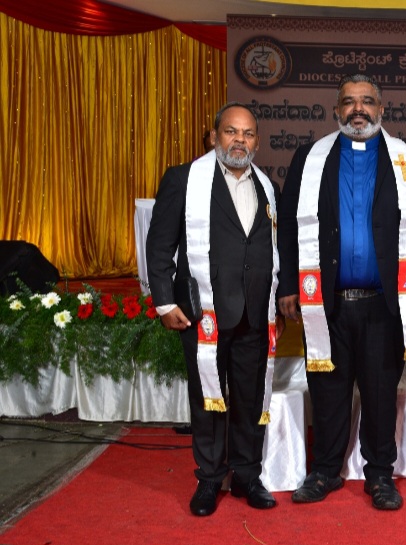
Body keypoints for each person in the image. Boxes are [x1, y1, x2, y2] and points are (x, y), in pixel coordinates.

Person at [278, 74, 406, 511]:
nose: (358, 109)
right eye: (349, 102)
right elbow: (289, 224)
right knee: (327, 390)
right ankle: (325, 470)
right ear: (336, 110)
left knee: (381, 392)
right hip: (326, 303)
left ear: (381, 109)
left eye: (367, 101)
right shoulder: (311, 158)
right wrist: (289, 283)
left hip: (385, 304)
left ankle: (380, 474)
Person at [146, 102, 280, 517]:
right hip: (204, 311)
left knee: (249, 398)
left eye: (248, 133)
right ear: (213, 136)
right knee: (207, 398)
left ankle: (246, 475)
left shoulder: (267, 186)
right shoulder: (184, 179)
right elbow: (160, 245)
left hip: (255, 312)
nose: (239, 140)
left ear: (257, 142)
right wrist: (164, 301)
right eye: (231, 131)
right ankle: (208, 478)